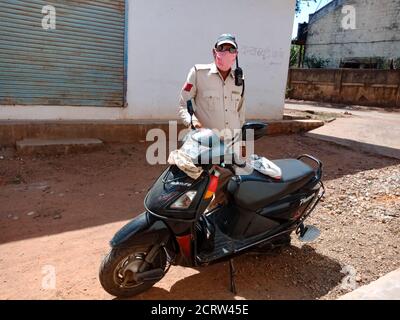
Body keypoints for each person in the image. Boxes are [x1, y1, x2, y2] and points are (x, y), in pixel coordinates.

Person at [178, 33, 245, 209]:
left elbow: (240, 112)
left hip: (231, 146)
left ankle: (219, 225)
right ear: (214, 52)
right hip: (207, 146)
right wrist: (192, 122)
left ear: (236, 54)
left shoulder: (239, 81)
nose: (226, 52)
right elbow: (184, 104)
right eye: (222, 48)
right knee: (202, 189)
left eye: (231, 49)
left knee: (228, 189)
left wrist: (242, 141)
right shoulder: (198, 73)